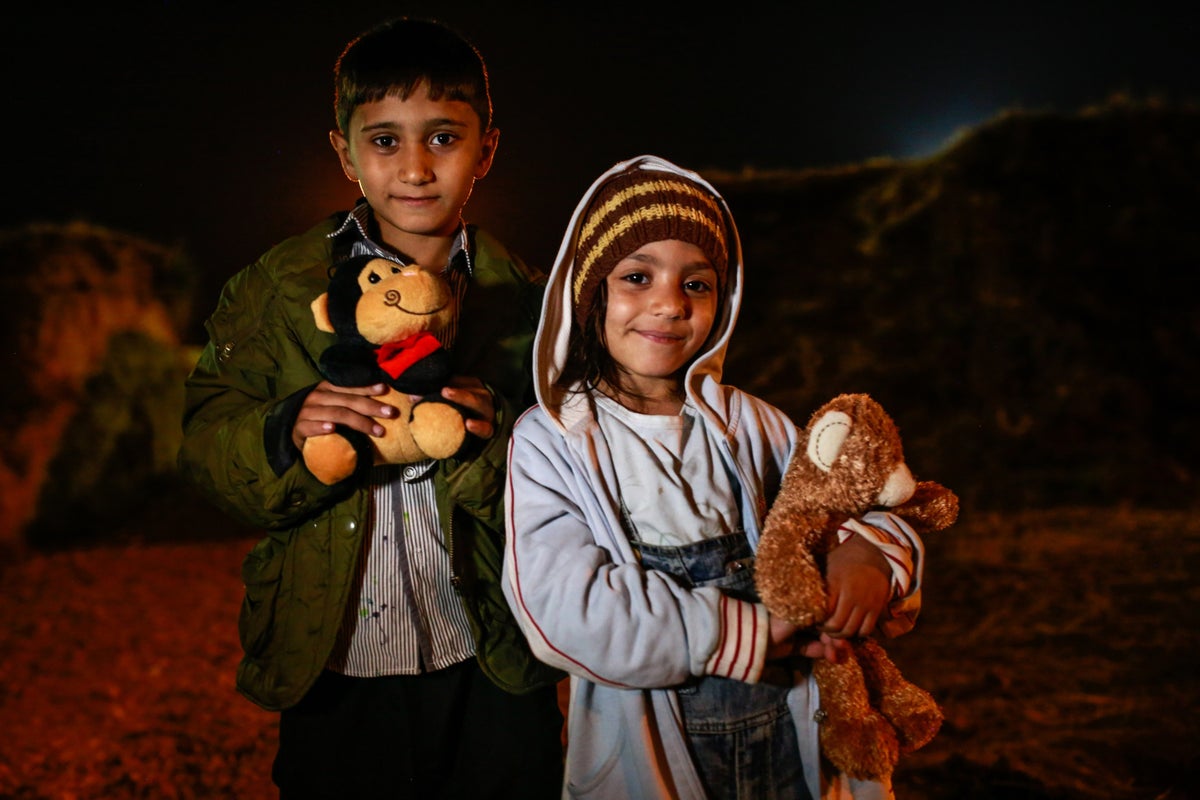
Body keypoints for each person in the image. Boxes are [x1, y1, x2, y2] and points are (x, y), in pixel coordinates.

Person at [177, 17, 564, 800]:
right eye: (385, 141)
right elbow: (205, 441)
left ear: (486, 149)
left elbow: (580, 483)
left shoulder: (531, 306)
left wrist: (496, 446)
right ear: (344, 152)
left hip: (491, 651)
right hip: (333, 653)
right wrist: (285, 431)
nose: (415, 168)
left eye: (443, 137)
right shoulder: (277, 288)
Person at [501, 155, 926, 800]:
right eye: (637, 277)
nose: (668, 304)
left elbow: (848, 498)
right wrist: (743, 630)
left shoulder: (756, 424)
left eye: (695, 284)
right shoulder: (552, 442)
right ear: (587, 295)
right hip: (656, 754)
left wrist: (872, 554)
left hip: (794, 738)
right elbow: (564, 609)